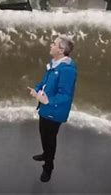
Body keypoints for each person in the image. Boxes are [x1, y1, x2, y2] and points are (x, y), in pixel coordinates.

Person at [27, 35, 77, 182]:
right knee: (43, 134)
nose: (50, 45)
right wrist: (36, 91)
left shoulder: (68, 70)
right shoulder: (54, 63)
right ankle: (46, 153)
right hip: (45, 109)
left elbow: (66, 95)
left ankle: (48, 166)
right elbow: (44, 82)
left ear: (61, 50)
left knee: (49, 139)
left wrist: (47, 100)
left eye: (53, 44)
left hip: (54, 112)